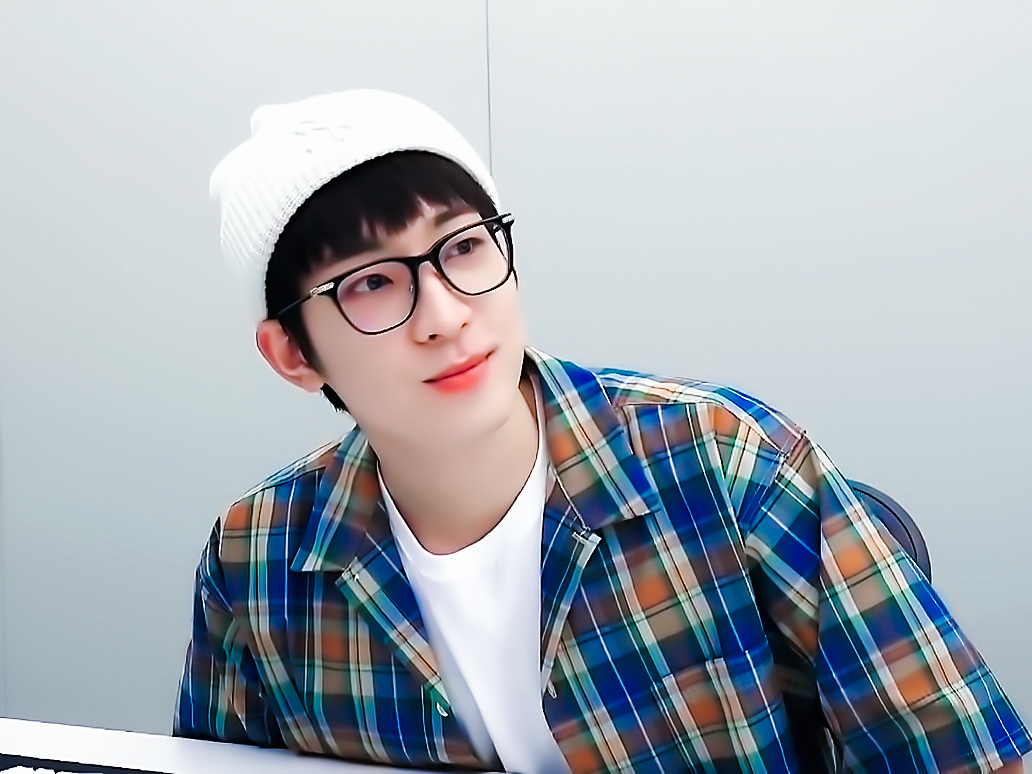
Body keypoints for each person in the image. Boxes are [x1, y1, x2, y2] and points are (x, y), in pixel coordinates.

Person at [174, 89, 1030, 773]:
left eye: (464, 248)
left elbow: (969, 757)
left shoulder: (727, 460)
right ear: (293, 353)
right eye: (371, 284)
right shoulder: (255, 558)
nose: (445, 315)